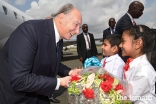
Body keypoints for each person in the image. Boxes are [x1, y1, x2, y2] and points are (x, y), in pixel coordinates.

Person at [0, 3, 82, 104]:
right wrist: (60, 82)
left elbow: (51, 61)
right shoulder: (29, 30)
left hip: (39, 94)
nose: (78, 31)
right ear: (61, 18)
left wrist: (69, 72)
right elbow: (19, 80)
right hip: (18, 99)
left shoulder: (59, 37)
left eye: (80, 27)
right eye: (76, 24)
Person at [120, 25, 156, 103]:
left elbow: (128, 97)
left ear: (137, 43)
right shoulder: (134, 64)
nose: (120, 45)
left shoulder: (144, 71)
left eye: (123, 41)